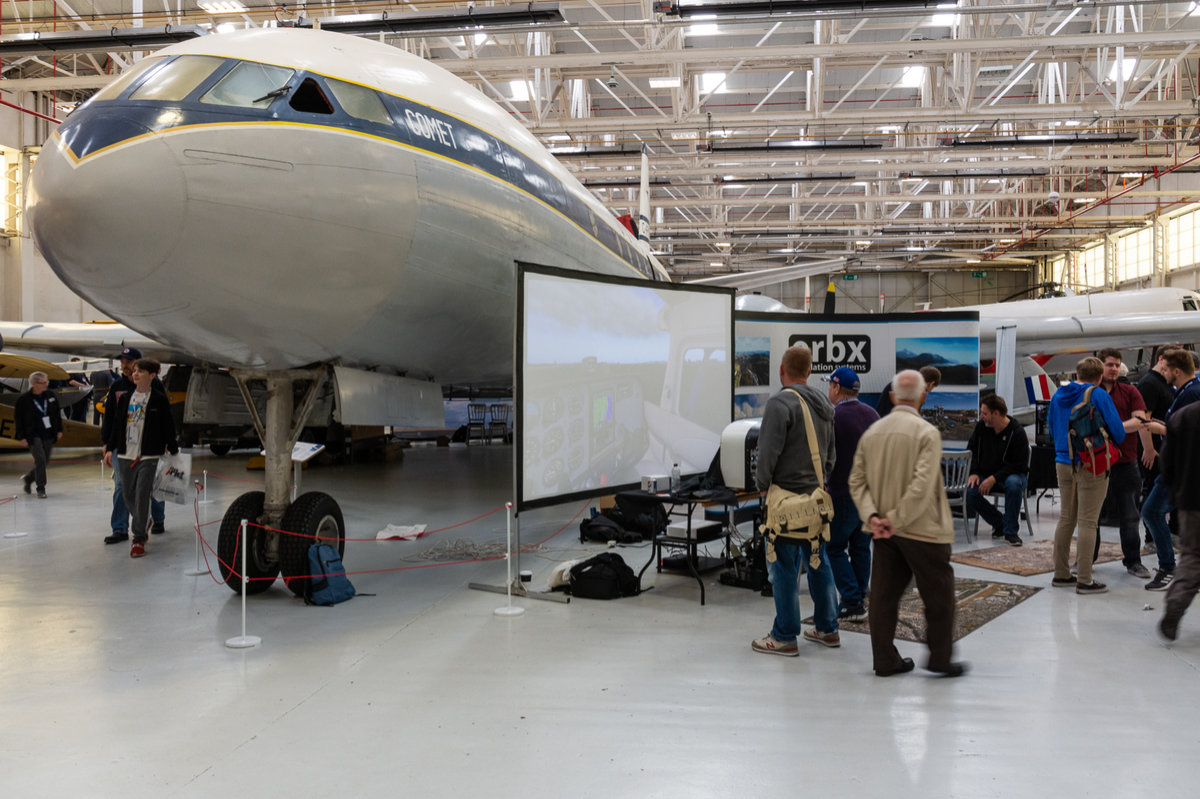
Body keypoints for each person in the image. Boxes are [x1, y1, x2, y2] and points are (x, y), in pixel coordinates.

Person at [849, 369, 966, 678]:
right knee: (939, 594)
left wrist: (874, 517)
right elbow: (922, 485)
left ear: (892, 396)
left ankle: (885, 659)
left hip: (882, 531)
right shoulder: (927, 433)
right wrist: (895, 519)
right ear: (923, 396)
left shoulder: (872, 433)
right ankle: (940, 657)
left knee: (883, 597)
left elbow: (857, 481)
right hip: (924, 530)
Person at [751, 344, 839, 656]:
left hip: (785, 504)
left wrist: (762, 487)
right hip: (816, 500)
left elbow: (767, 454)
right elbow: (830, 458)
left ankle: (785, 635)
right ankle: (828, 628)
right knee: (819, 560)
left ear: (781, 371)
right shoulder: (825, 405)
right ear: (809, 372)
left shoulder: (779, 403)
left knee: (783, 566)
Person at [1048, 356, 1128, 595]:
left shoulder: (1057, 395)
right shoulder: (1098, 394)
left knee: (1066, 519)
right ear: (1100, 376)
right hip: (1091, 462)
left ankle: (1061, 574)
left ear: (1076, 373)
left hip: (1063, 461)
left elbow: (1052, 429)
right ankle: (1085, 579)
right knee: (1088, 521)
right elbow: (1119, 432)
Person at [103, 358, 178, 558]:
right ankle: (144, 521)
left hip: (149, 454)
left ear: (152, 375)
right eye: (135, 371)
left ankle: (138, 538)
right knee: (127, 493)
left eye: (141, 371)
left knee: (142, 493)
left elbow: (167, 425)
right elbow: (117, 425)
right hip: (127, 452)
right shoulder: (126, 398)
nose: (135, 374)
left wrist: (173, 448)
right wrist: (110, 448)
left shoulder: (159, 399)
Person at [1140, 348, 1200, 591]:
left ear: (1176, 371)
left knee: (1152, 512)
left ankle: (1168, 568)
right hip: (1178, 468)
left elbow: (1190, 432)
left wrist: (1160, 429)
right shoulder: (1184, 392)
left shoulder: (1192, 393)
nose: (1162, 373)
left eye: (1165, 369)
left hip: (1181, 470)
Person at [1091, 348, 1153, 578]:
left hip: (1126, 463)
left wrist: (1111, 427)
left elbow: (1140, 420)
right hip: (1095, 464)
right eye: (1109, 364)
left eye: (1117, 365)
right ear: (1100, 366)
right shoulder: (1090, 392)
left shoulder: (1130, 391)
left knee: (1130, 515)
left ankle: (1133, 562)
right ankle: (1087, 559)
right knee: (1092, 516)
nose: (1114, 368)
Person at [823, 365, 879, 622]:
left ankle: (852, 601)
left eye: (830, 386)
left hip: (841, 492)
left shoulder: (831, 417)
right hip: (868, 494)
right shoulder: (872, 415)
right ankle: (858, 596)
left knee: (834, 548)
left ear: (836, 387)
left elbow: (825, 457)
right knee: (861, 547)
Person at [1157, 399, 1200, 641]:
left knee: (1192, 555)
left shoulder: (1183, 416)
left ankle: (1176, 601)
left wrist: (1177, 491)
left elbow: (1167, 461)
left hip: (1190, 500)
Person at [965, 394, 1029, 547]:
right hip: (985, 474)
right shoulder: (982, 427)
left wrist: (994, 478)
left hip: (1012, 475)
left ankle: (1011, 532)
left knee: (1013, 484)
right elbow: (971, 450)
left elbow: (1019, 465)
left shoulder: (1017, 432)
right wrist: (973, 472)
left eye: (984, 413)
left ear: (996, 414)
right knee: (969, 492)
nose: (981, 416)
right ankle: (1000, 523)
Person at [14, 372, 64, 499]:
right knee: (40, 459)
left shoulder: (50, 396)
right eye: (43, 383)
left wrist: (59, 430)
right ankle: (41, 488)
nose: (46, 385)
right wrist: (21, 436)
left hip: (48, 433)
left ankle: (29, 478)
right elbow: (18, 419)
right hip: (32, 435)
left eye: (47, 382)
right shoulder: (24, 400)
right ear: (34, 384)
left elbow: (57, 415)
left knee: (44, 461)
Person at [875, 365, 940, 417]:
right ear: (931, 384)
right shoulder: (918, 392)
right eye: (933, 387)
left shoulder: (895, 383)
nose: (930, 391)